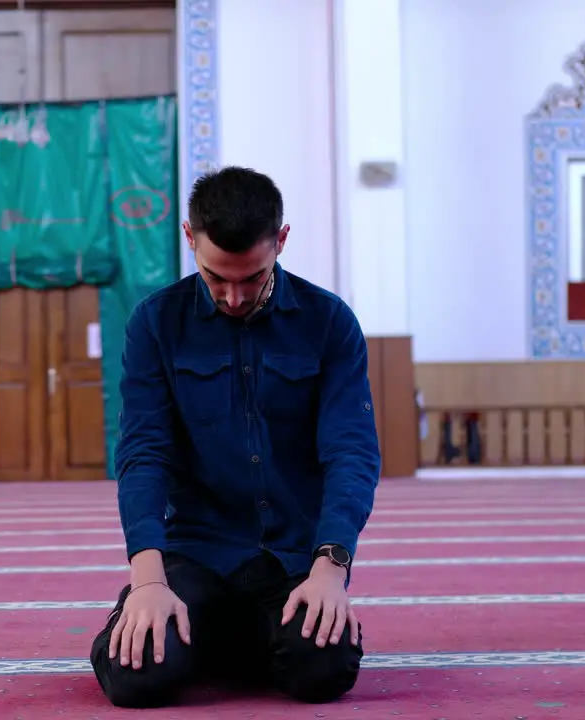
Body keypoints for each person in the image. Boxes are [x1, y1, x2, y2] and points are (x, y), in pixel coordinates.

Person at [89, 166, 382, 708]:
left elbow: (352, 451)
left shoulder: (329, 322)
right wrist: (149, 580)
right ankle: (187, 624)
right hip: (197, 556)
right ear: (188, 238)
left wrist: (331, 569)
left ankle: (231, 638)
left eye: (251, 277)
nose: (232, 296)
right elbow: (143, 452)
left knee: (323, 672)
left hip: (295, 561)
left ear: (282, 241)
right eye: (215, 276)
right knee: (138, 677)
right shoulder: (156, 324)